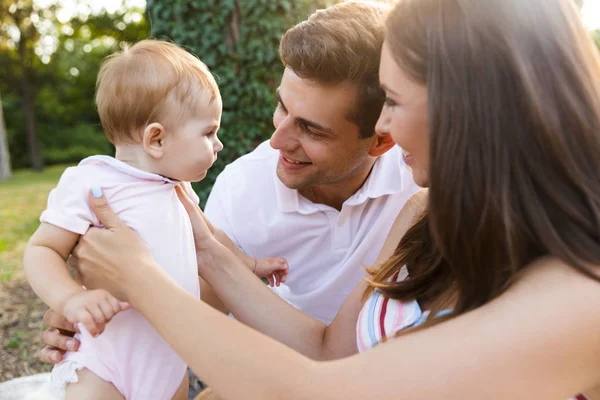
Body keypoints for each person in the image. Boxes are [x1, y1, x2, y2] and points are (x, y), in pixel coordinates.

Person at [43, 0, 600, 398]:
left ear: (471, 112)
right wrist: (99, 311)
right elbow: (330, 351)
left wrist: (143, 281)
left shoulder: (579, 295)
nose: (385, 123)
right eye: (282, 108)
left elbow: (321, 389)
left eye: (395, 102)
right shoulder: (425, 216)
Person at [23, 40, 287, 400]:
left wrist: (248, 264)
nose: (219, 144)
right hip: (104, 361)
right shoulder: (93, 182)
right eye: (209, 133)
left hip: (168, 361)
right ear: (157, 139)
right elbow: (41, 249)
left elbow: (209, 238)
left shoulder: (175, 190)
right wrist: (70, 300)